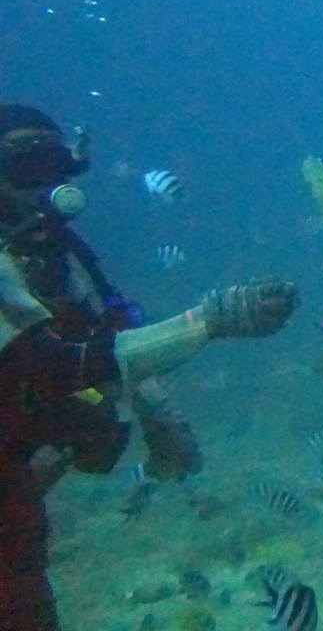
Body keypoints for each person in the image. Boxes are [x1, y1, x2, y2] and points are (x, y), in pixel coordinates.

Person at [0, 104, 299, 631]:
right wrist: (204, 322)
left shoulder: (48, 257)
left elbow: (94, 339)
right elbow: (56, 365)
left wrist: (154, 407)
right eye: (28, 170)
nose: (46, 190)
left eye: (57, 169)